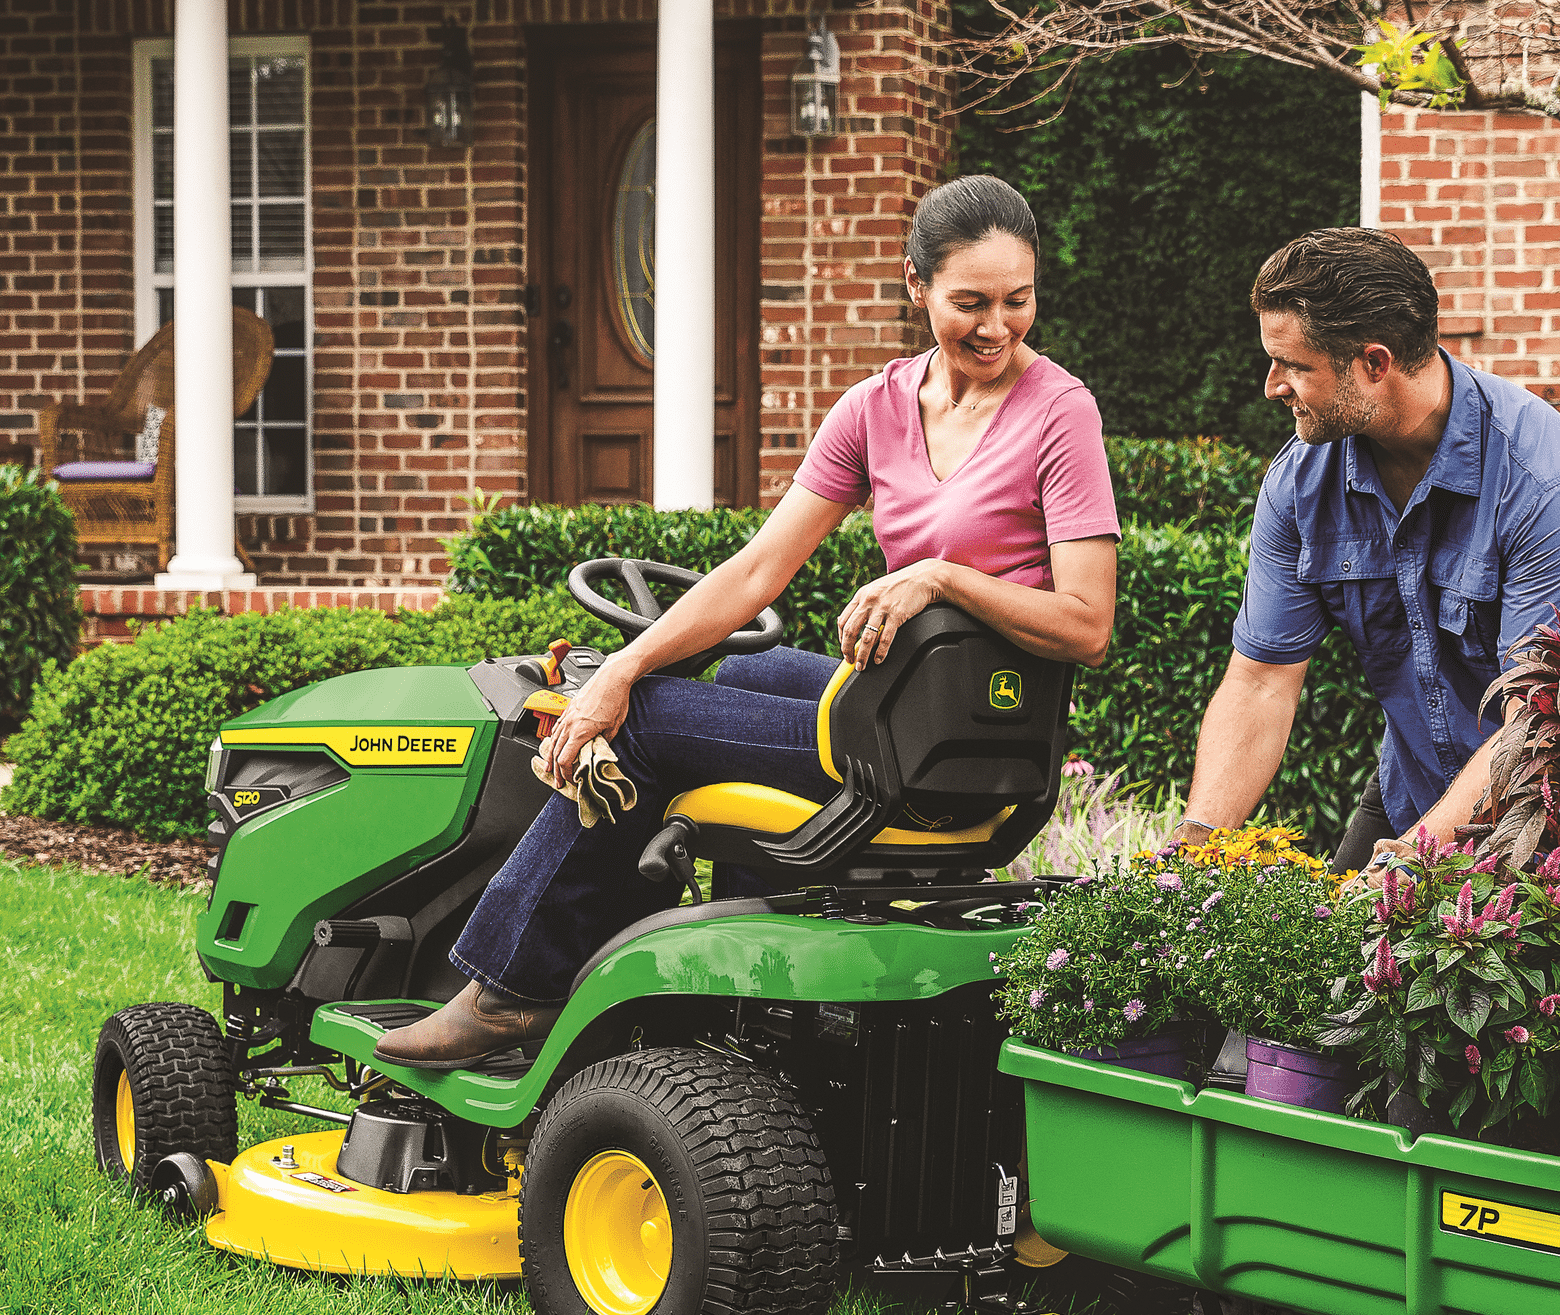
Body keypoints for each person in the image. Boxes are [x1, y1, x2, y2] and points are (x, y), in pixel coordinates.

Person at [376, 175, 1121, 1069]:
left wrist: (939, 575)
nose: (997, 327)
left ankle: (512, 990)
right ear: (916, 286)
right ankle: (737, 978)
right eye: (970, 302)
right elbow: (758, 570)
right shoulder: (875, 409)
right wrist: (621, 666)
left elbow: (1086, 623)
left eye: (1018, 300)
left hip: (970, 734)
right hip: (897, 705)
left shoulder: (1059, 412)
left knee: (648, 725)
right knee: (744, 676)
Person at [1171, 228, 1560, 873]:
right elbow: (1260, 679)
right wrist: (1195, 851)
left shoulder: (1546, 481)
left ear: (1374, 362)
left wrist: (1419, 856)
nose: (1271, 385)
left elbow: (1540, 717)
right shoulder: (1303, 481)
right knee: (1332, 961)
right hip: (1417, 783)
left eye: (1294, 366)